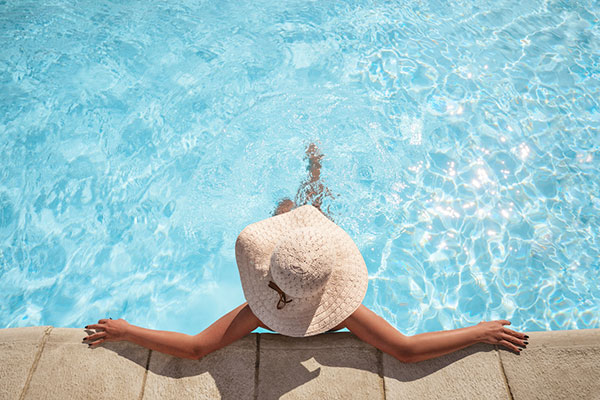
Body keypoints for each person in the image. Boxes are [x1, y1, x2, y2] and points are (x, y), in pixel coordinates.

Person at [83, 143, 528, 362]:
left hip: (295, 260)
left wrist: (128, 331)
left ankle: (308, 181)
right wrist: (478, 331)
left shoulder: (259, 312)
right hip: (307, 260)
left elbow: (198, 348)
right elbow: (405, 350)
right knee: (311, 212)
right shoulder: (345, 312)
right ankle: (314, 172)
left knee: (290, 212)